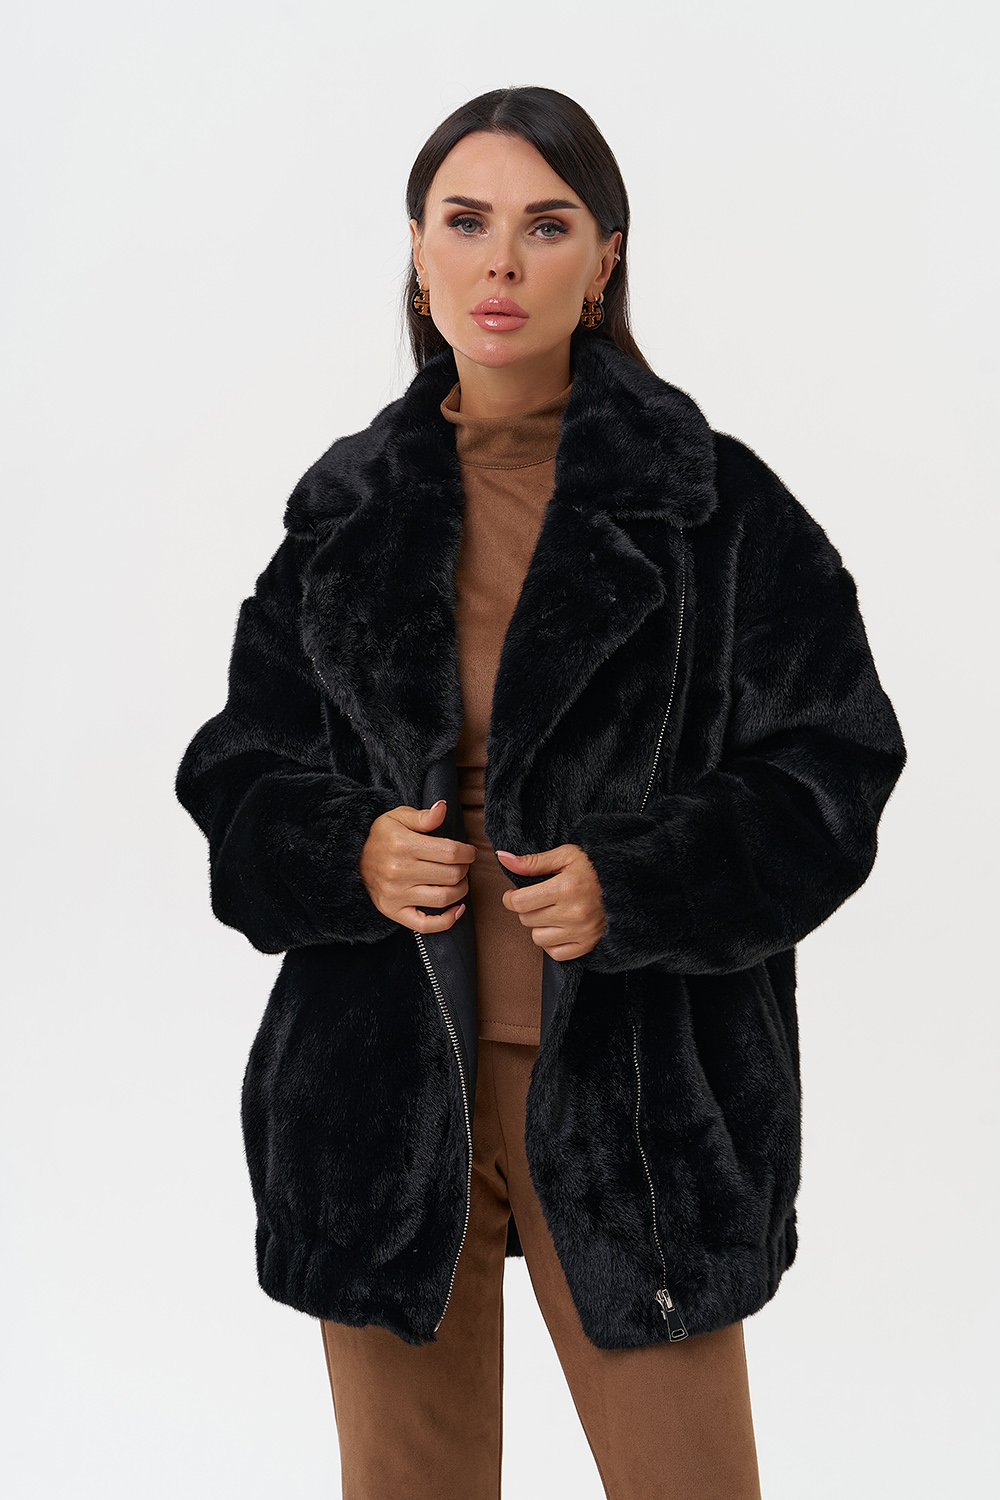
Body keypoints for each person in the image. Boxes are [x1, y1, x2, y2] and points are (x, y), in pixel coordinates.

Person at [175, 86, 905, 1500]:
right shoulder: (346, 512)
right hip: (382, 1088)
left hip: (641, 1094)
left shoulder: (715, 506)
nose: (501, 261)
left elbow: (836, 764)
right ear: (418, 253)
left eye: (546, 224)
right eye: (467, 222)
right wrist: (349, 854)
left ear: (605, 259)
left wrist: (642, 881)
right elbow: (238, 771)